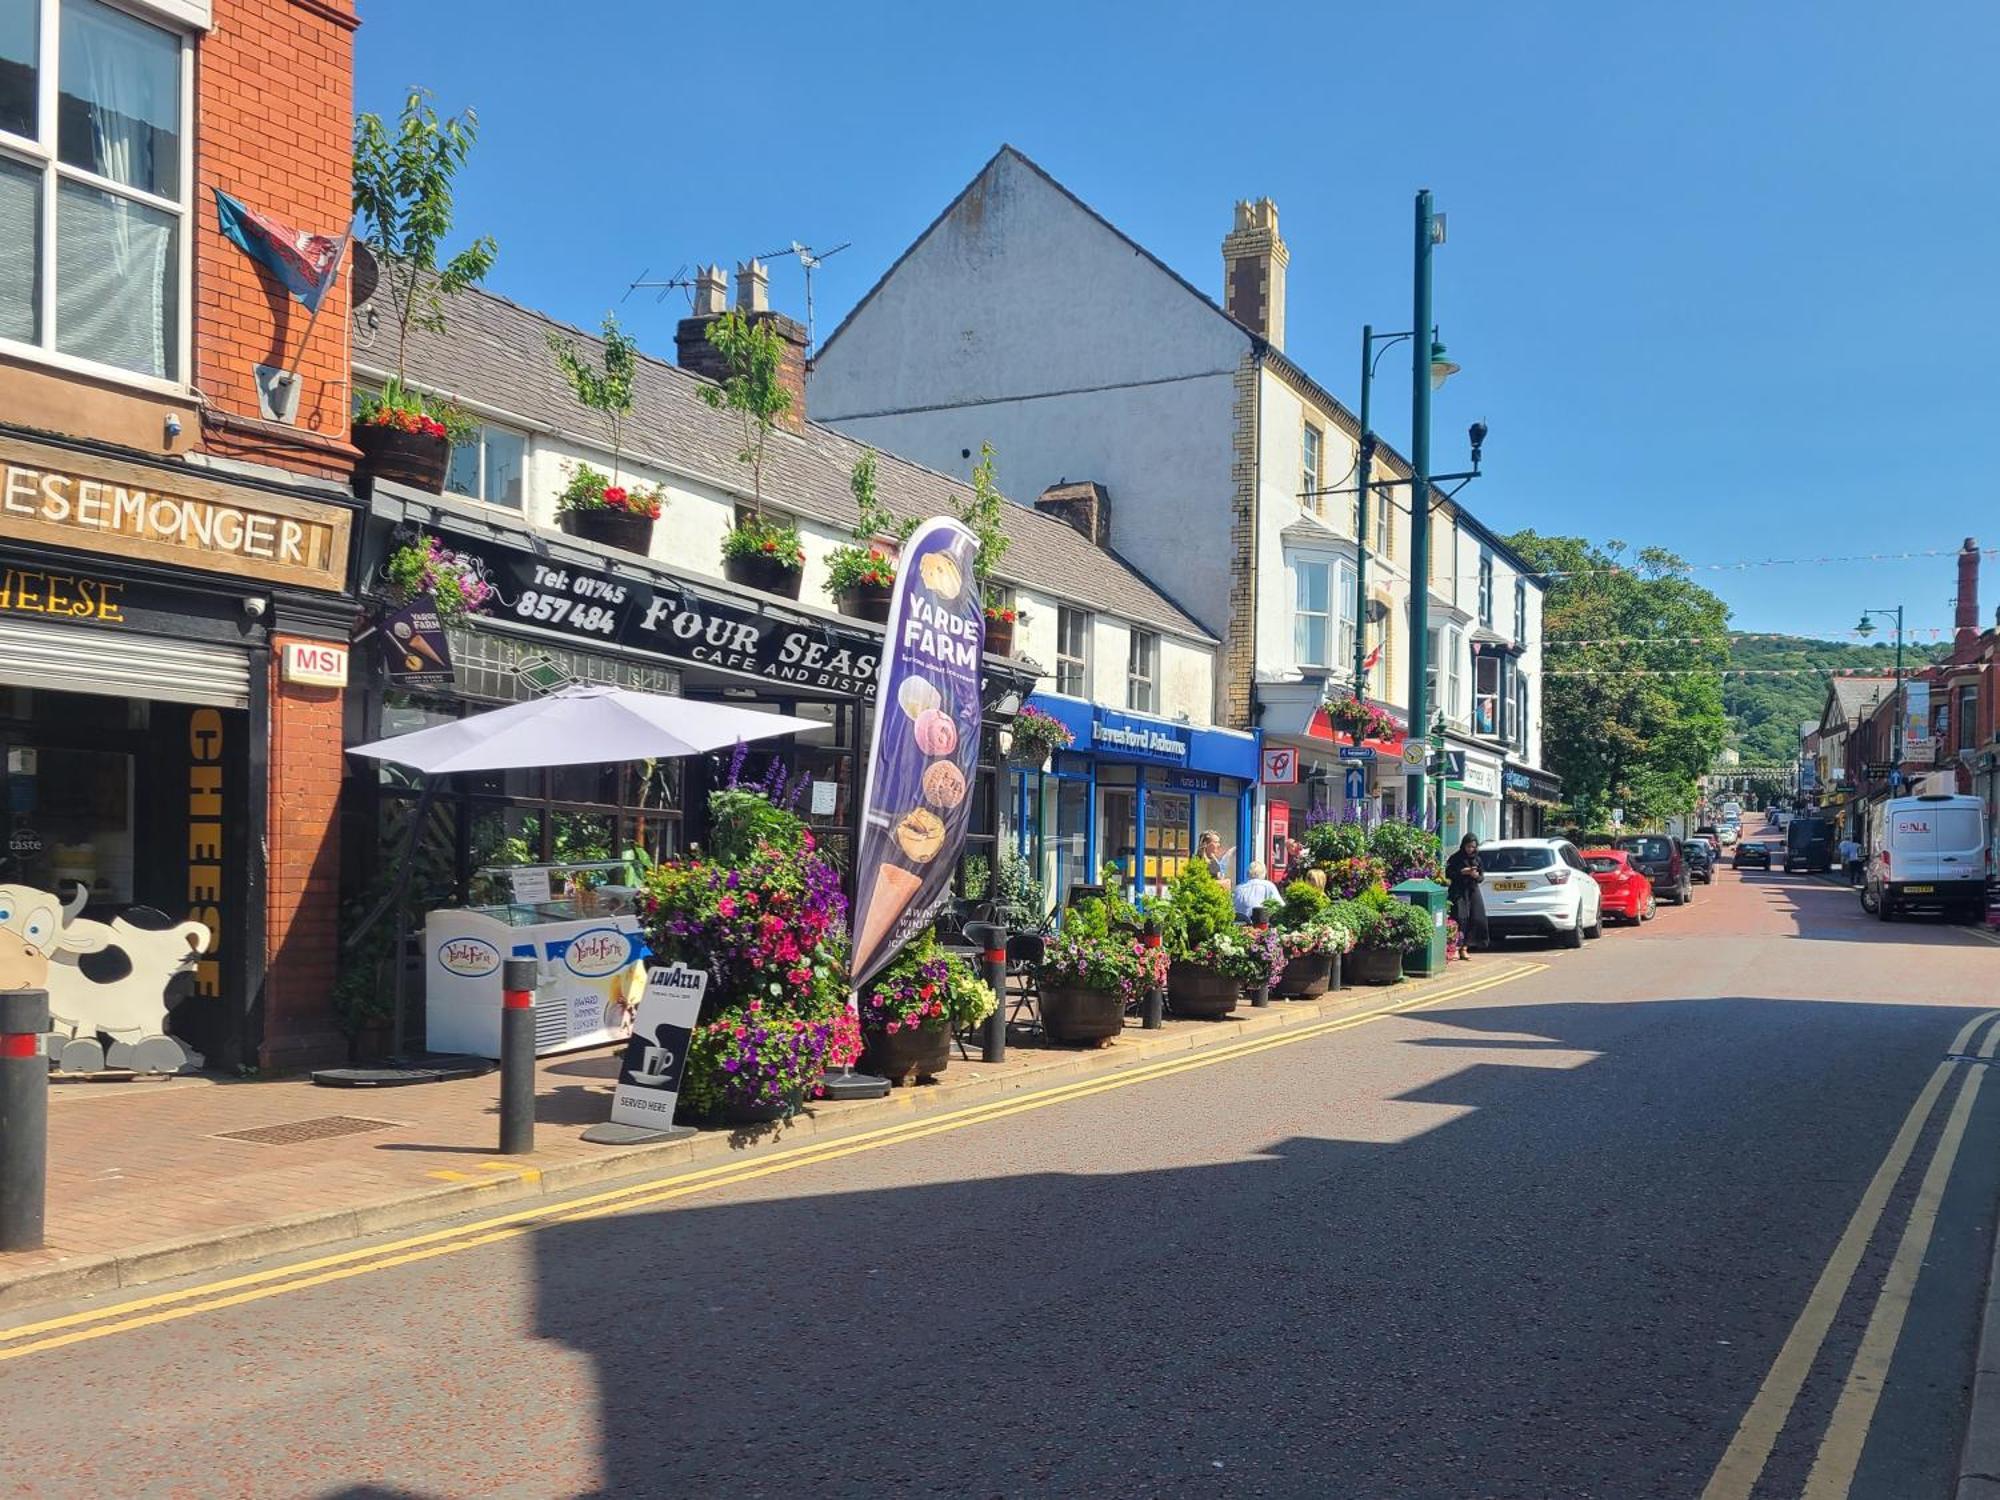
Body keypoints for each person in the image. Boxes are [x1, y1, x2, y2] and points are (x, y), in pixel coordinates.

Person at [1445, 834, 1489, 958]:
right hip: (1458, 890)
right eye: (1468, 846)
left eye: (1473, 847)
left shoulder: (1477, 859)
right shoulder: (1455, 858)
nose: (1470, 849)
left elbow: (1481, 877)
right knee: (1459, 917)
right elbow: (1448, 874)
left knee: (1475, 918)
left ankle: (1465, 947)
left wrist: (1475, 876)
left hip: (1473, 890)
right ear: (1463, 845)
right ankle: (1455, 947)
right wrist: (1461, 872)